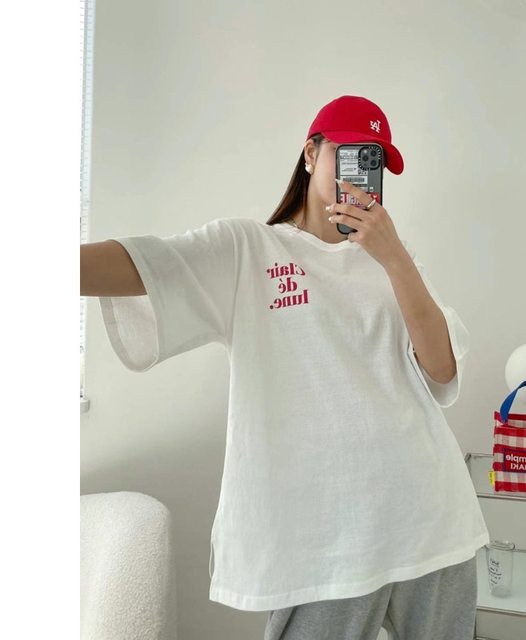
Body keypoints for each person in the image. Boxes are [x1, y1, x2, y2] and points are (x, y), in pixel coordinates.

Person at [80, 95, 490, 640]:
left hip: (430, 514)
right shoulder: (250, 248)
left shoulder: (395, 258)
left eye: (373, 159)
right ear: (311, 154)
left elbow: (440, 369)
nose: (360, 173)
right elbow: (147, 263)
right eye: (350, 153)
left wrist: (393, 256)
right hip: (324, 541)